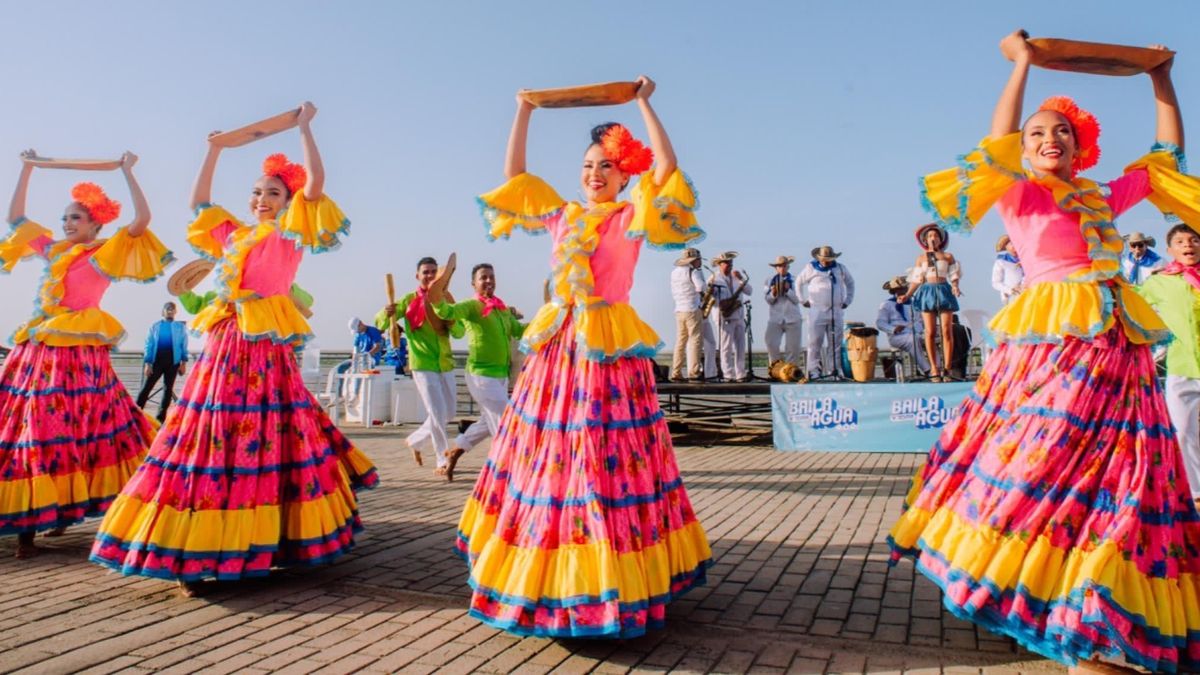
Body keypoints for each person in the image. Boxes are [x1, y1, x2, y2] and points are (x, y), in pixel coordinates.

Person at [889, 31, 1200, 672]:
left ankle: (1089, 604)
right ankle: (1032, 591)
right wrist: (1023, 65)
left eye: (1060, 132)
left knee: (1120, 479)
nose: (1047, 140)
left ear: (1081, 147)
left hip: (1118, 356)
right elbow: (997, 145)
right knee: (1041, 464)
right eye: (1037, 134)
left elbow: (1167, 154)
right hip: (1050, 352)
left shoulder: (1101, 198)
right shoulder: (1018, 192)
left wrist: (1160, 80)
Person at [458, 75, 712, 638]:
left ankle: (608, 568)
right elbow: (515, 177)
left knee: (603, 452)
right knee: (549, 451)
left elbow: (667, 167)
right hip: (559, 342)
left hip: (606, 343)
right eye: (587, 166)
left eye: (606, 167)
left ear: (625, 174)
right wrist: (522, 109)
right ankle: (544, 568)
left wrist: (643, 102)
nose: (594, 175)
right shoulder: (562, 214)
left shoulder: (630, 216)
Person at [91, 102, 378, 594]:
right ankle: (195, 541)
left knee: (263, 435)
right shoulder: (236, 235)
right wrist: (213, 151)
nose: (262, 199)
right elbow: (199, 202)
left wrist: (306, 127)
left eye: (273, 192)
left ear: (287, 201)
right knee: (205, 432)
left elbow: (316, 186)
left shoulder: (291, 232)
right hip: (224, 344)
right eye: (257, 192)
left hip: (263, 352)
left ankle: (260, 538)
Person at [0, 150, 170, 559]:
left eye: (76, 217)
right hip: (41, 352)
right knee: (34, 430)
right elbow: (16, 219)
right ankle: (29, 528)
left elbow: (142, 221)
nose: (67, 224)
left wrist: (129, 171)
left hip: (82, 358)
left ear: (96, 222)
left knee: (85, 431)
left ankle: (64, 512)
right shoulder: (56, 252)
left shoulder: (103, 253)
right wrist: (27, 168)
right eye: (65, 218)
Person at [431, 263, 524, 481]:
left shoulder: (502, 310)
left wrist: (548, 319)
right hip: (480, 375)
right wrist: (437, 294)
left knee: (486, 423)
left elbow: (520, 331)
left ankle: (454, 452)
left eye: (492, 277)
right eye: (484, 278)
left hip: (500, 375)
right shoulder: (472, 306)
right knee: (507, 421)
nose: (489, 281)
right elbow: (447, 311)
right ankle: (505, 472)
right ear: (474, 283)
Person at [376, 257, 464, 477]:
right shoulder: (407, 301)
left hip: (445, 362)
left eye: (434, 272)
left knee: (449, 411)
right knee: (436, 412)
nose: (430, 276)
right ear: (418, 276)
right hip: (422, 364)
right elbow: (380, 322)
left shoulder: (445, 299)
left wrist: (451, 320)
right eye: (426, 272)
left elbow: (460, 331)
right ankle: (443, 458)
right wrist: (385, 313)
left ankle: (416, 440)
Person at [1137, 223, 1200, 509]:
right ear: (1169, 250)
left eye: (1194, 240)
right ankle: (1196, 492)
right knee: (1183, 429)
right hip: (1181, 364)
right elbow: (1132, 307)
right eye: (1181, 241)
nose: (1188, 245)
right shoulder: (1158, 281)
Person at [901, 224, 961, 382]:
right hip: (927, 291)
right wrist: (907, 295)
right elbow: (916, 279)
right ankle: (934, 368)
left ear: (940, 239)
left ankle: (947, 368)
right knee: (930, 332)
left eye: (935, 236)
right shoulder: (921, 258)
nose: (932, 238)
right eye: (929, 236)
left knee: (947, 330)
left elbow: (954, 275)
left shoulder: (948, 256)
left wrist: (955, 286)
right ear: (925, 240)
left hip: (943, 290)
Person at [797, 245, 855, 379]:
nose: (826, 261)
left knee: (835, 342)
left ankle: (834, 370)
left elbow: (850, 283)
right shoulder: (811, 268)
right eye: (824, 259)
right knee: (814, 342)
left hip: (836, 310)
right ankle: (813, 370)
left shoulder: (840, 268)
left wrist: (848, 300)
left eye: (828, 259)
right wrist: (802, 300)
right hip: (817, 310)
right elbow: (798, 283)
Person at [136, 301, 189, 423]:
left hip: (173, 363)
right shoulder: (155, 326)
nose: (170, 311)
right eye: (167, 309)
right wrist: (148, 364)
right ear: (163, 311)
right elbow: (149, 345)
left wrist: (183, 363)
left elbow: (183, 345)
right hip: (156, 362)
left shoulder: (180, 327)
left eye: (172, 309)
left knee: (168, 389)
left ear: (175, 312)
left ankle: (160, 419)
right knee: (146, 388)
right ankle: (136, 415)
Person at [708, 251, 751, 381]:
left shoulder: (735, 277)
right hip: (724, 316)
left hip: (738, 315)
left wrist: (741, 278)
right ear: (719, 264)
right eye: (726, 263)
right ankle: (728, 374)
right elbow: (709, 297)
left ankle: (740, 373)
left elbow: (749, 291)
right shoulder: (714, 278)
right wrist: (724, 304)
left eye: (730, 263)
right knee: (726, 347)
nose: (729, 265)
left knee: (740, 346)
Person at [876, 276, 929, 374]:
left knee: (932, 338)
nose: (902, 291)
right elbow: (880, 323)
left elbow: (921, 321)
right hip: (897, 336)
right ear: (893, 291)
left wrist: (922, 329)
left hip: (917, 332)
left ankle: (939, 369)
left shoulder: (915, 303)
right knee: (912, 339)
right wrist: (893, 329)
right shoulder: (886, 304)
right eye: (899, 289)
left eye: (904, 288)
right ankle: (928, 370)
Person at [669, 247, 706, 381]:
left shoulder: (674, 273)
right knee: (695, 340)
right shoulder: (693, 272)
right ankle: (694, 371)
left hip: (679, 309)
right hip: (692, 308)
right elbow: (701, 287)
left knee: (680, 341)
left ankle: (676, 372)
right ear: (693, 260)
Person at [763, 254, 802, 371]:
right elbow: (768, 300)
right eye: (779, 266)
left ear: (788, 267)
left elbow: (797, 300)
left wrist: (788, 290)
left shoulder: (795, 280)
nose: (782, 268)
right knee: (771, 342)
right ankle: (776, 370)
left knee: (793, 348)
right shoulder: (769, 280)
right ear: (776, 268)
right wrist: (773, 293)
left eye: (784, 266)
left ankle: (791, 372)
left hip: (792, 317)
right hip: (775, 317)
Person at [991, 234, 1024, 304]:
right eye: (1012, 244)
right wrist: (1010, 290)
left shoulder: (1024, 260)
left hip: (1027, 294)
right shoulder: (1001, 261)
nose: (1015, 247)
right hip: (1011, 296)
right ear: (1005, 246)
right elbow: (996, 282)